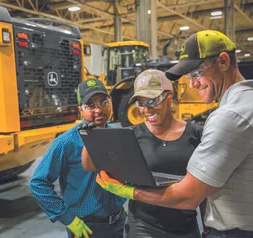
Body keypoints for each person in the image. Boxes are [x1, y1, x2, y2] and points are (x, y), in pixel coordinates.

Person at [96, 30, 253, 238]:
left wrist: (130, 192)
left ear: (223, 61)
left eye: (196, 73)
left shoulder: (229, 117)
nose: (192, 83)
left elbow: (188, 197)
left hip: (235, 233)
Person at [82, 69, 204, 238]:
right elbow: (89, 166)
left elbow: (205, 190)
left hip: (186, 226)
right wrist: (92, 137)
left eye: (152, 101)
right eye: (140, 103)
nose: (146, 109)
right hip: (144, 226)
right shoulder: (131, 135)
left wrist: (208, 228)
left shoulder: (196, 134)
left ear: (169, 97)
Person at [30, 78, 126, 238]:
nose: (99, 110)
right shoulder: (66, 142)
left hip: (119, 222)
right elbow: (38, 183)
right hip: (87, 227)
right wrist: (68, 219)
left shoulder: (116, 135)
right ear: (80, 109)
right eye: (91, 105)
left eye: (103, 102)